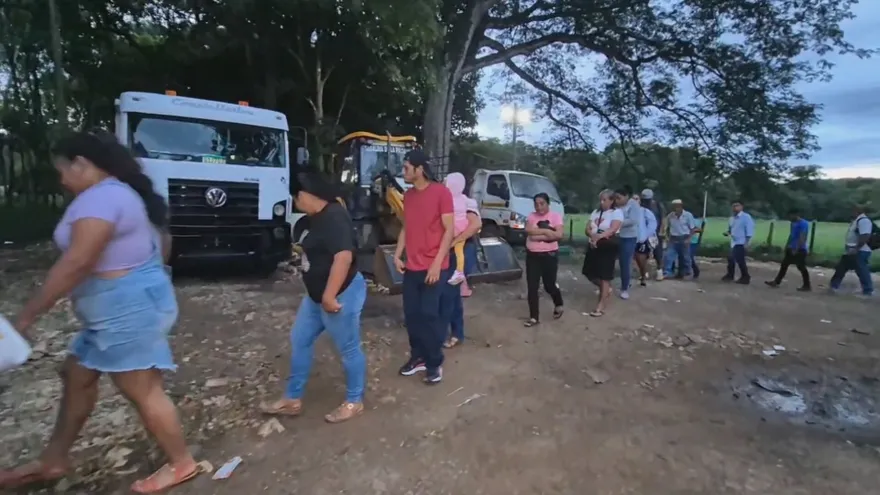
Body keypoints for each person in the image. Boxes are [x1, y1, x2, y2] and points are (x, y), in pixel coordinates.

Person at [0, 132, 197, 493]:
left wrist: (26, 317)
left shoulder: (105, 198)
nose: (61, 180)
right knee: (76, 374)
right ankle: (54, 459)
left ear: (81, 164)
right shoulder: (118, 194)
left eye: (62, 170)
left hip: (125, 311)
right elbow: (161, 244)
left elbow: (77, 261)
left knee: (141, 387)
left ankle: (181, 462)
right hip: (112, 311)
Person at [261, 171, 367, 423]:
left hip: (340, 293)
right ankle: (292, 399)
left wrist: (329, 296)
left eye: (296, 199)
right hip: (315, 297)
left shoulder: (334, 216)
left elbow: (344, 257)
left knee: (348, 348)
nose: (296, 204)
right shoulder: (315, 218)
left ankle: (354, 401)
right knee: (300, 339)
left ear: (305, 194)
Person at [394, 150, 454, 384]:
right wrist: (397, 254)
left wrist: (437, 264)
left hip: (434, 265)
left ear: (419, 169)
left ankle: (434, 363)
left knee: (429, 315)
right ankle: (417, 357)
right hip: (413, 266)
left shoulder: (441, 193)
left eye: (407, 168)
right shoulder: (408, 196)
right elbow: (406, 227)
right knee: (412, 316)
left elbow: (449, 230)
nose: (403, 172)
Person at [523, 192, 565, 327]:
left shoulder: (555, 216)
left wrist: (539, 234)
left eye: (542, 204)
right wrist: (547, 232)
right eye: (536, 204)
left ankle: (558, 303)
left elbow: (559, 235)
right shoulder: (531, 216)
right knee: (532, 286)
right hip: (532, 255)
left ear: (548, 204)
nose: (539, 207)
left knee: (549, 285)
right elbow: (530, 233)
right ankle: (533, 317)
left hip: (549, 255)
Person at [445, 196, 482, 348]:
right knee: (450, 293)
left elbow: (476, 224)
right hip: (449, 249)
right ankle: (454, 333)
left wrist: (456, 241)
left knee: (450, 291)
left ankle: (453, 333)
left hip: (463, 249)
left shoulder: (465, 203)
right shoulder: (446, 200)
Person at [582, 189, 623, 317]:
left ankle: (601, 305)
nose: (602, 202)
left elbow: (613, 229)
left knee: (605, 275)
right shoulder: (596, 212)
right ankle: (605, 289)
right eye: (600, 200)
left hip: (607, 246)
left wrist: (598, 237)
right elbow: (588, 228)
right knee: (589, 272)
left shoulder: (616, 213)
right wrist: (592, 235)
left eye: (605, 200)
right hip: (594, 245)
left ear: (611, 201)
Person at [829, 206, 874, 296]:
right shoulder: (857, 220)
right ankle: (834, 285)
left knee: (861, 269)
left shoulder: (863, 221)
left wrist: (857, 248)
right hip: (851, 249)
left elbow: (865, 235)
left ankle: (868, 290)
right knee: (842, 267)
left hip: (859, 250)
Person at [765, 209, 811, 291]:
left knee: (801, 267)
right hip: (791, 247)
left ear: (796, 215)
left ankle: (807, 285)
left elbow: (802, 237)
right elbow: (791, 235)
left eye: (790, 216)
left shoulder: (803, 224)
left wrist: (797, 248)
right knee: (784, 265)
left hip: (800, 249)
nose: (789, 218)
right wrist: (787, 245)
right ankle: (776, 281)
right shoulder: (793, 223)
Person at [615, 186, 642, 300]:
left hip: (628, 237)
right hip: (615, 236)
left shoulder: (633, 205)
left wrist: (617, 223)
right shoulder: (615, 205)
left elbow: (632, 220)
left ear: (626, 196)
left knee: (625, 262)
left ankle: (625, 288)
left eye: (619, 198)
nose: (616, 200)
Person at [444, 172, 470, 286]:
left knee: (445, 247)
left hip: (453, 228)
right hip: (463, 228)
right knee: (459, 251)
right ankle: (459, 271)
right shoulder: (464, 198)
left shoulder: (449, 199)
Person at [663, 199, 697, 279]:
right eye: (674, 207)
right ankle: (667, 272)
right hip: (673, 238)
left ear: (681, 206)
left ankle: (687, 271)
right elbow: (666, 226)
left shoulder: (688, 215)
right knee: (668, 256)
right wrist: (666, 236)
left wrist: (689, 239)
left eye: (677, 206)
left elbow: (692, 228)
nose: (675, 208)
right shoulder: (670, 216)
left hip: (684, 237)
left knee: (686, 257)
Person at [723, 200, 755, 284]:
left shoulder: (746, 217)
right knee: (732, 259)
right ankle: (731, 274)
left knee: (738, 259)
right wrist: (728, 233)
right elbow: (731, 229)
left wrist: (747, 242)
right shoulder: (732, 218)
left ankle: (745, 276)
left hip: (741, 241)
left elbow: (749, 230)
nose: (735, 207)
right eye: (733, 206)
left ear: (741, 207)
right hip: (733, 241)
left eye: (737, 205)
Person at [641, 189, 667, 280]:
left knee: (658, 252)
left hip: (656, 232)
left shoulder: (658, 205)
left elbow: (663, 218)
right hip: (644, 232)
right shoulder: (641, 206)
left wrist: (661, 231)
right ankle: (644, 272)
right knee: (643, 252)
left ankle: (659, 271)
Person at [633, 193, 657, 287]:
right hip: (630, 238)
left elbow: (652, 224)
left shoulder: (645, 211)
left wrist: (645, 235)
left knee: (641, 259)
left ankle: (643, 275)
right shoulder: (626, 211)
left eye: (636, 199)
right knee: (633, 259)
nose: (635, 201)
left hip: (641, 239)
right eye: (633, 199)